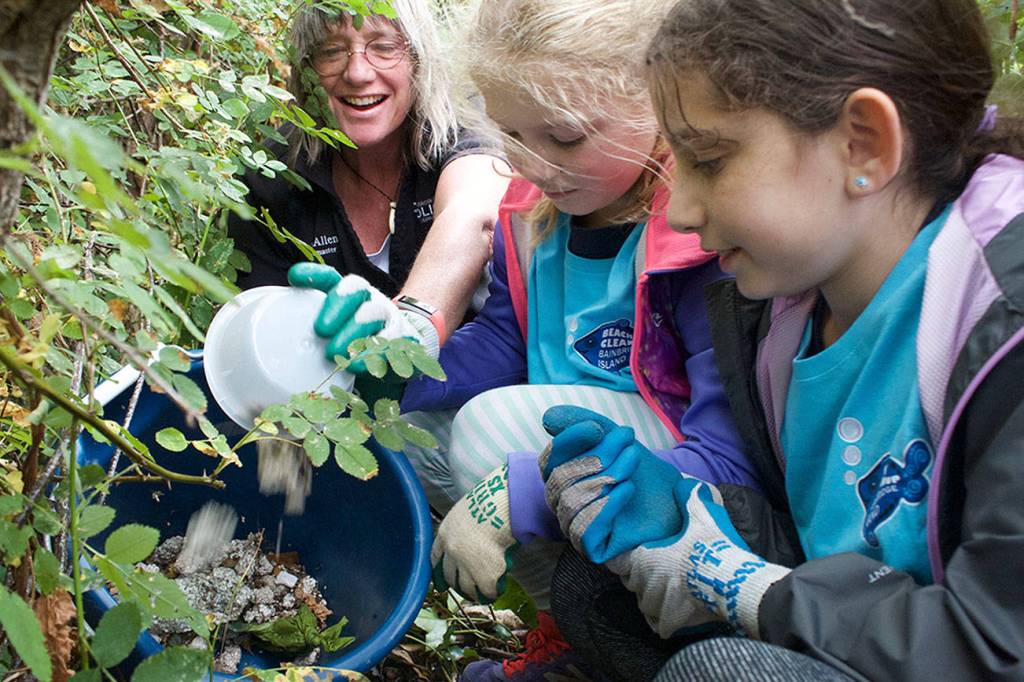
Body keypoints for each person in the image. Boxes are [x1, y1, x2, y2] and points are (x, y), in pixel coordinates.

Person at [540, 0, 1024, 680]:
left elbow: (999, 643)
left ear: (864, 144)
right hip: (874, 630)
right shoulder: (785, 302)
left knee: (720, 672)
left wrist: (741, 586)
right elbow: (831, 541)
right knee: (591, 585)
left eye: (709, 159)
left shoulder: (1003, 314)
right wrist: (688, 511)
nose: (679, 210)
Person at [291, 0, 759, 678]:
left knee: (487, 428)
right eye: (509, 133)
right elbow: (506, 343)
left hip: (684, 487)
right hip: (583, 454)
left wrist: (524, 491)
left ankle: (651, 634)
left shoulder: (694, 235)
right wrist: (396, 364)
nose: (534, 164)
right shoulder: (531, 212)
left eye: (565, 136)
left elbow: (733, 461)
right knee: (399, 428)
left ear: (657, 100)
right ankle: (571, 630)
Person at [228, 0, 509, 343]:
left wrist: (412, 330)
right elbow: (264, 337)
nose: (358, 73)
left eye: (385, 47)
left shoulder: (464, 121)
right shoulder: (272, 175)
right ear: (307, 70)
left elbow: (473, 214)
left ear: (419, 60)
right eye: (332, 51)